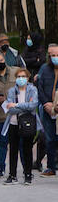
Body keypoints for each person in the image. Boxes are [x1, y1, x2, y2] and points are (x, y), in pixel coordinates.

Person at [0, 67, 40, 185]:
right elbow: (10, 108)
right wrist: (22, 106)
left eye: (23, 76)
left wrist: (17, 104)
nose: (21, 79)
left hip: (27, 123)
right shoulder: (12, 90)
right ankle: (12, 175)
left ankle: (28, 174)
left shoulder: (32, 89)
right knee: (13, 149)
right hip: (14, 123)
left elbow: (33, 105)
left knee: (27, 149)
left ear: (28, 78)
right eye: (18, 77)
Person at [35, 42, 58, 177]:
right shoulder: (44, 68)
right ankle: (50, 167)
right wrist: (46, 104)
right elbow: (40, 87)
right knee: (49, 139)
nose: (54, 57)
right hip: (47, 108)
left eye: (56, 55)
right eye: (52, 55)